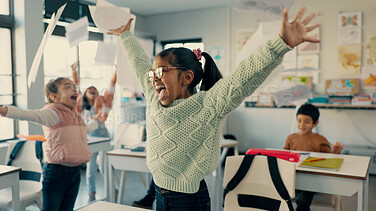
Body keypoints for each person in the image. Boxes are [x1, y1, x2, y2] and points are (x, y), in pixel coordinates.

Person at [107, 6, 320, 211]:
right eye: (153, 74)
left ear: (187, 77)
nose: (154, 78)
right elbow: (139, 64)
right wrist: (125, 36)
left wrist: (281, 43)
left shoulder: (208, 105)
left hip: (189, 200)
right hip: (159, 193)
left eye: (161, 71)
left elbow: (243, 76)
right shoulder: (154, 97)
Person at [0, 77, 99, 211]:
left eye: (74, 87)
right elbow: (27, 114)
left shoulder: (75, 116)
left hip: (74, 174)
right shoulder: (53, 113)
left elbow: (85, 129)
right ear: (54, 96)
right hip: (57, 174)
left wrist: (96, 121)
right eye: (67, 87)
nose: (74, 89)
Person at [284, 103, 345, 211]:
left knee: (304, 195)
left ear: (315, 123)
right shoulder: (290, 138)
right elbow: (284, 157)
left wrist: (335, 152)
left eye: (307, 122)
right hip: (294, 177)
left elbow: (330, 160)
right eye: (299, 120)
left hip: (313, 179)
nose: (302, 124)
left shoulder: (320, 140)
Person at [70, 61, 116, 202]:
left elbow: (111, 86)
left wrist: (116, 70)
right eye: (91, 91)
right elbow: (76, 87)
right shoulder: (80, 104)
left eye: (96, 91)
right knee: (91, 167)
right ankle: (92, 192)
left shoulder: (103, 102)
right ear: (86, 94)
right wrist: (74, 72)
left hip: (104, 136)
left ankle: (114, 187)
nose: (94, 93)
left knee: (105, 166)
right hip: (90, 138)